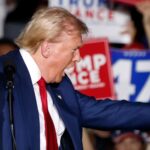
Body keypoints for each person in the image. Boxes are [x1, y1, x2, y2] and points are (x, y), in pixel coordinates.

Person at [1, 6, 150, 150]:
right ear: (47, 49)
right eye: (74, 50)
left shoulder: (61, 87)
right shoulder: (4, 77)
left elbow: (108, 112)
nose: (78, 58)